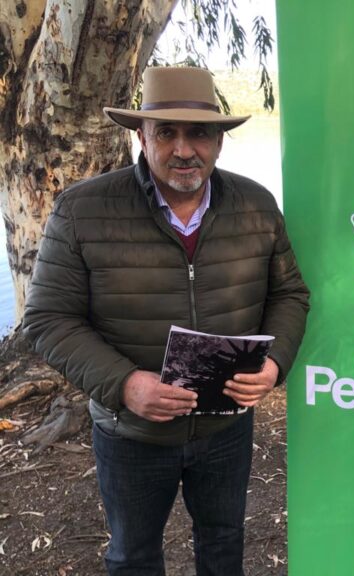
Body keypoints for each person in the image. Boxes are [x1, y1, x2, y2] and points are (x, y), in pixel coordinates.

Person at [23, 66, 310, 575]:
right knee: (133, 557)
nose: (183, 149)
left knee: (224, 546)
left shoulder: (257, 206)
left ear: (218, 141)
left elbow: (288, 294)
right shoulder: (81, 211)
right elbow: (48, 319)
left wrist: (275, 367)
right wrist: (126, 384)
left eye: (199, 132)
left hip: (226, 430)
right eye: (167, 133)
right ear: (141, 136)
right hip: (132, 433)